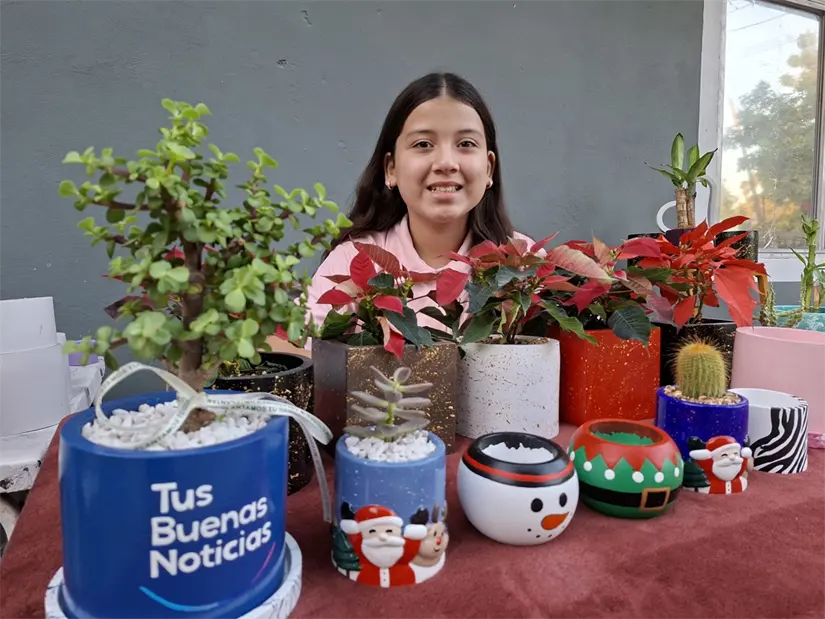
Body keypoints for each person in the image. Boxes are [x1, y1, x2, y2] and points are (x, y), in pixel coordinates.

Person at [306, 71, 535, 334]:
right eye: (423, 144)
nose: (446, 163)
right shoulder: (353, 259)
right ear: (391, 168)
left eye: (466, 143)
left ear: (489, 168)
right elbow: (300, 347)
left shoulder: (525, 265)